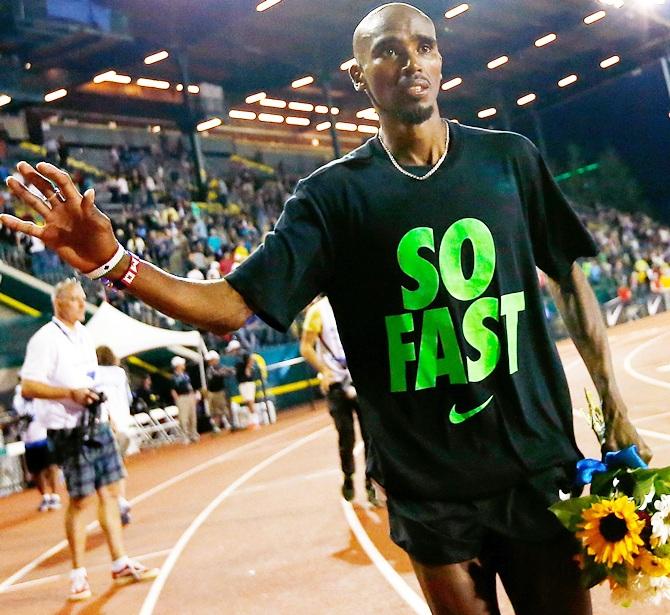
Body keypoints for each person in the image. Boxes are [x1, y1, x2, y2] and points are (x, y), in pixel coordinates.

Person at [1, 5, 651, 613]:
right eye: (389, 51)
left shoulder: (510, 159)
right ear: (359, 75)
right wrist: (117, 263)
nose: (412, 62)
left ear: (442, 59)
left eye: (425, 46)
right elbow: (229, 308)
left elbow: (568, 280)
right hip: (429, 487)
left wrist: (616, 412)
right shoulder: (330, 199)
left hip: (538, 465)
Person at [17, 279, 158, 601]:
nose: (83, 304)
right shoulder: (45, 340)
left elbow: (88, 378)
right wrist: (70, 393)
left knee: (110, 492)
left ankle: (120, 563)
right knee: (81, 502)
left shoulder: (84, 335)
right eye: (77, 300)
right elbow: (28, 386)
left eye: (83, 299)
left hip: (95, 423)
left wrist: (100, 408)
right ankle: (78, 575)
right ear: (60, 303)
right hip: (68, 430)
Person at [301, 296, 379, 506]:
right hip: (336, 385)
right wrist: (325, 370)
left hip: (361, 382)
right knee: (346, 437)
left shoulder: (354, 303)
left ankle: (371, 485)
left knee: (370, 437)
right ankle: (348, 477)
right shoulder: (317, 311)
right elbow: (306, 347)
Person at [95, 345, 134, 525]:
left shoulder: (93, 374)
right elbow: (129, 398)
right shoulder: (120, 373)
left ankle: (118, 501)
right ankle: (121, 500)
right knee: (119, 464)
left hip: (106, 424)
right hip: (124, 423)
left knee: (107, 469)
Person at [13, 381, 61, 512]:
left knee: (51, 467)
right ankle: (45, 496)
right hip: (29, 441)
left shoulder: (40, 396)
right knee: (36, 471)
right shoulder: (18, 398)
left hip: (43, 437)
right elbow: (18, 413)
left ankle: (55, 495)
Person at [227, 340, 259, 429]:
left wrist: (248, 369)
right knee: (247, 401)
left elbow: (251, 359)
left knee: (250, 401)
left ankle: (255, 421)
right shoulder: (237, 357)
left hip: (247, 381)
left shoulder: (243, 354)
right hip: (242, 382)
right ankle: (252, 420)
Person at [169, 356, 199, 442]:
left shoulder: (186, 375)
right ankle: (185, 435)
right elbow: (173, 390)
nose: (184, 365)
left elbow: (189, 386)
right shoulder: (173, 378)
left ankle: (193, 434)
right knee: (183, 417)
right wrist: (177, 399)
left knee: (192, 416)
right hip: (181, 397)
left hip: (189, 396)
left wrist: (193, 395)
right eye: (182, 364)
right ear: (178, 365)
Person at [204, 350, 233, 430]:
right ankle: (216, 427)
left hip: (220, 391)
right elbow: (214, 375)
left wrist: (225, 372)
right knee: (214, 411)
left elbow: (230, 371)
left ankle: (230, 423)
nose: (209, 362)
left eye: (211, 360)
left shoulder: (220, 367)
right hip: (211, 392)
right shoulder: (210, 369)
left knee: (224, 408)